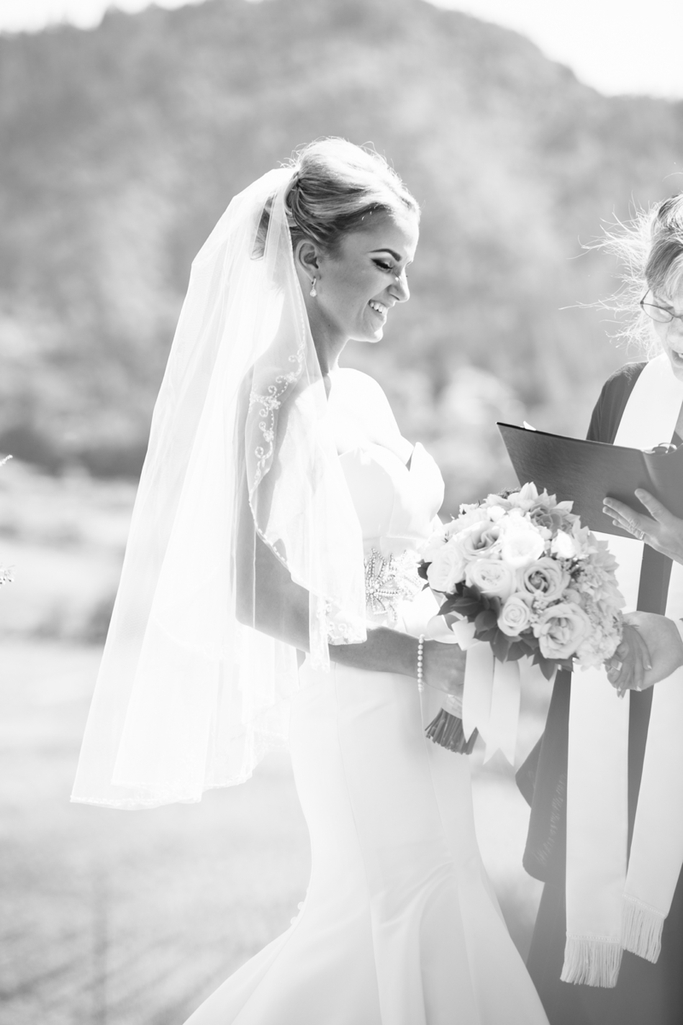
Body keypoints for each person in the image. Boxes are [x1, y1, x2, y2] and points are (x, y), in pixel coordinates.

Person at [71, 139, 549, 1025]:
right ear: (309, 257)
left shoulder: (362, 396)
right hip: (361, 696)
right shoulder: (269, 396)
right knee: (391, 904)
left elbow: (399, 551)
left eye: (405, 267)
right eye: (384, 263)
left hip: (427, 693)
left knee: (435, 892)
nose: (400, 290)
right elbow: (253, 590)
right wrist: (417, 658)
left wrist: (491, 585)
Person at [519, 194, 683, 1025]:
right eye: (666, 309)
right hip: (617, 714)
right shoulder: (625, 395)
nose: (678, 333)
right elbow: (587, 534)